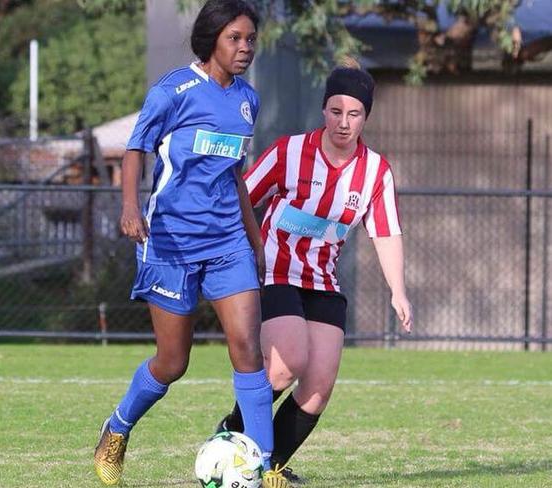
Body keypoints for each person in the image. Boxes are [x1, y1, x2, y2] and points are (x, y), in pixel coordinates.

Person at [93, 1, 290, 486]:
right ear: (211, 40)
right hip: (171, 243)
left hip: (227, 242)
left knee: (247, 349)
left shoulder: (248, 100)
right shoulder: (172, 92)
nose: (245, 48)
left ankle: (264, 466)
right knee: (172, 362)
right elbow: (135, 149)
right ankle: (116, 429)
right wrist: (130, 207)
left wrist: (254, 235)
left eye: (250, 39)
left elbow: (236, 175)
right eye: (234, 38)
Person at [216, 59, 413, 481]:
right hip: (274, 273)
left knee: (319, 387)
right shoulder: (289, 152)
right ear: (324, 110)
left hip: (322, 280)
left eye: (354, 113)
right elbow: (241, 199)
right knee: (288, 363)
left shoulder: (375, 172)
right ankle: (229, 439)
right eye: (336, 111)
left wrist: (398, 290)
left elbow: (386, 233)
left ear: (365, 118)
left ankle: (272, 467)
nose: (344, 122)